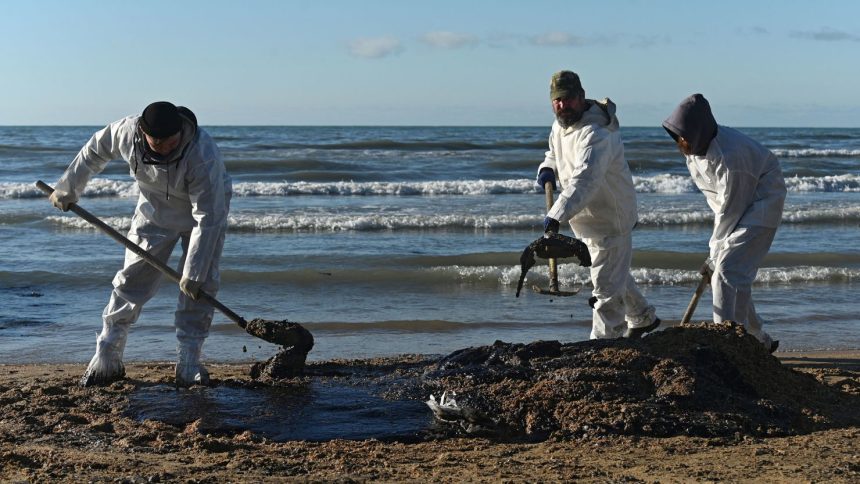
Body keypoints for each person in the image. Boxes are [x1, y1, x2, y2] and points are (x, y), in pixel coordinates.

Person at [48, 101, 232, 387]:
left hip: (204, 214)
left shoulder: (202, 155)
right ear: (143, 133)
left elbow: (208, 219)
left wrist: (193, 274)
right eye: (157, 143)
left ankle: (189, 361)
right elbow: (95, 150)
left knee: (201, 285)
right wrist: (68, 187)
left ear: (180, 134)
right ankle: (108, 353)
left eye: (171, 143)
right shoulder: (126, 131)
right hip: (154, 210)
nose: (164, 148)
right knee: (132, 278)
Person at [537, 70, 660, 339]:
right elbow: (553, 153)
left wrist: (556, 214)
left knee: (604, 287)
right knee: (612, 272)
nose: (562, 105)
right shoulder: (560, 126)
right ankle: (641, 317)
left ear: (581, 97)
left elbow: (586, 179)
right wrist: (548, 167)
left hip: (610, 218)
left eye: (568, 99)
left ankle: (604, 344)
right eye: (557, 100)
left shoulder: (597, 133)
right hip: (586, 218)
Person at [662, 93, 785, 352]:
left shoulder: (731, 159)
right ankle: (757, 339)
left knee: (727, 271)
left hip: (762, 200)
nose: (680, 140)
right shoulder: (694, 147)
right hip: (736, 202)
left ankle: (729, 346)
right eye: (678, 134)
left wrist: (715, 254)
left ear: (698, 131)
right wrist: (717, 251)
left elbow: (732, 209)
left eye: (684, 135)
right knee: (734, 272)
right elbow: (720, 202)